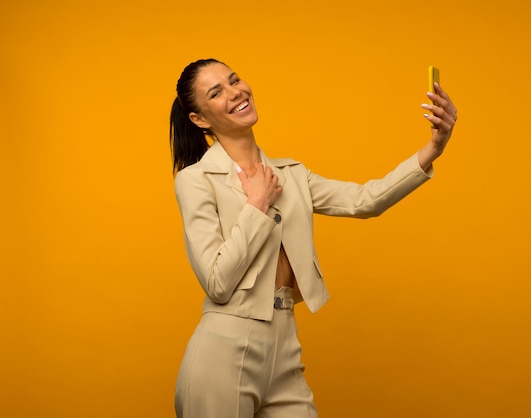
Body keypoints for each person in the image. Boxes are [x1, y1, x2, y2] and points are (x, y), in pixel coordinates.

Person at [169, 58, 457, 418]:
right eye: (217, 92)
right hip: (224, 349)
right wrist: (257, 205)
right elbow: (217, 283)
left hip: (285, 345)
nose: (235, 92)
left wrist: (435, 147)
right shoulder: (196, 180)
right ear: (200, 119)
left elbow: (365, 200)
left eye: (234, 80)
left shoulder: (291, 175)